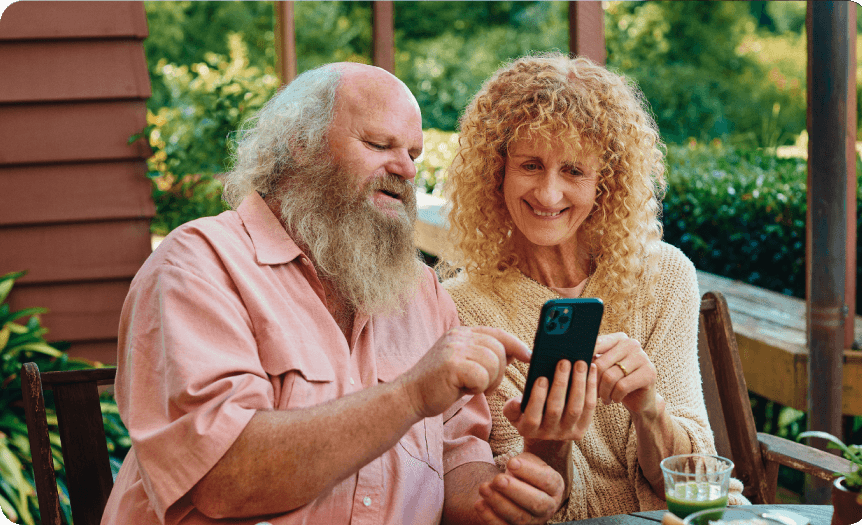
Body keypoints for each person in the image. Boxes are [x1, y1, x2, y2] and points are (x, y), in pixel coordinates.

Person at [100, 62, 567, 525]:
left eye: (413, 154)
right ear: (299, 144)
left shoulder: (421, 291)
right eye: (378, 144)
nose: (405, 169)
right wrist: (409, 397)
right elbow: (220, 480)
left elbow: (457, 462)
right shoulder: (198, 266)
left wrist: (501, 498)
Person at [440, 53, 750, 522]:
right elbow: (517, 499)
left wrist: (648, 407)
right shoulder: (461, 305)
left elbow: (696, 475)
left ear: (606, 181)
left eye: (574, 171)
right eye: (530, 165)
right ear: (495, 170)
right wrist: (549, 444)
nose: (548, 194)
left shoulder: (663, 277)